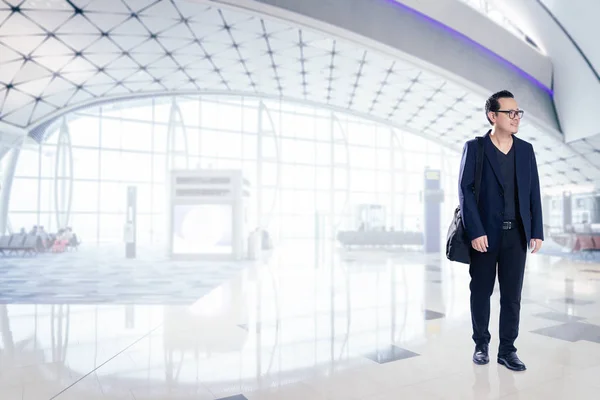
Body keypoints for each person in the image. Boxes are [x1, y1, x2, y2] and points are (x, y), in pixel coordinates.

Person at [458, 90, 543, 372]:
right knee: (481, 291)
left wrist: (537, 230)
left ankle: (507, 350)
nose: (516, 118)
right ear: (492, 116)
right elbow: (465, 192)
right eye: (510, 113)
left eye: (518, 113)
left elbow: (534, 193)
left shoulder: (526, 150)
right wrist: (475, 230)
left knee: (512, 296)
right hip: (484, 235)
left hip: (516, 234)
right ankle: (481, 344)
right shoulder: (476, 147)